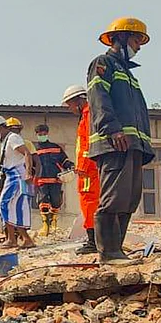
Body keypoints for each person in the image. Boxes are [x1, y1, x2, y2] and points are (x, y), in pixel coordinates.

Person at [86, 17, 155, 264]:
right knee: (114, 197)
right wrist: (112, 130)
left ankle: (118, 250)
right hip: (115, 143)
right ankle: (108, 252)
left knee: (129, 198)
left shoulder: (128, 73)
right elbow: (99, 98)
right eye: (137, 40)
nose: (139, 46)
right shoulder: (103, 64)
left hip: (132, 146)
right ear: (122, 37)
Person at [0, 115, 36, 249]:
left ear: (0, 128)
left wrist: (28, 173)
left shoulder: (13, 138)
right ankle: (24, 239)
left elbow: (27, 153)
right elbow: (5, 163)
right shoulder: (6, 141)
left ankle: (12, 239)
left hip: (17, 176)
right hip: (11, 175)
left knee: (4, 204)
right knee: (15, 207)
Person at [62, 85, 100, 254]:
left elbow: (89, 144)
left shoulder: (88, 115)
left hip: (89, 169)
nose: (70, 109)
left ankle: (94, 241)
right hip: (87, 167)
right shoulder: (86, 116)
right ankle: (96, 239)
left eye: (70, 105)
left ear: (78, 101)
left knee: (89, 201)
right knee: (90, 201)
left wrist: (83, 166)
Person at [32, 124, 74, 237]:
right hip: (41, 180)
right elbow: (31, 165)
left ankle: (53, 222)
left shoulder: (56, 147)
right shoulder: (34, 149)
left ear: (47, 133)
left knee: (56, 201)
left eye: (44, 134)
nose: (42, 136)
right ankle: (45, 225)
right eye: (40, 134)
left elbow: (64, 161)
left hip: (56, 179)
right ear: (36, 135)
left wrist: (71, 166)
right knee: (43, 201)